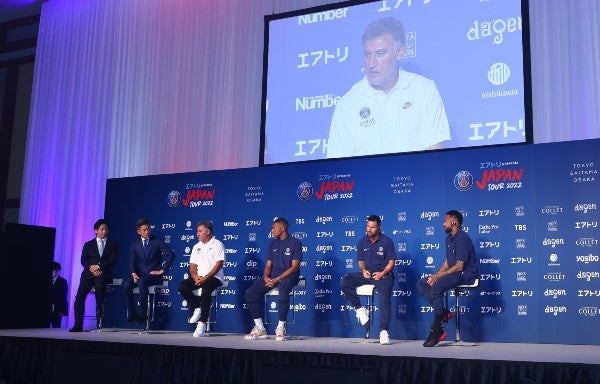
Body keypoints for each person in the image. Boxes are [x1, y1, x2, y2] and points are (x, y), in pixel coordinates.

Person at [327, 17, 450, 159]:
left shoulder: (425, 90)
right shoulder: (348, 103)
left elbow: (435, 154)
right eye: (367, 55)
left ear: (399, 52)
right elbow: (338, 166)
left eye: (380, 54)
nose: (371, 63)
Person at [416, 210, 478, 347]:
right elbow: (447, 262)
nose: (443, 224)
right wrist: (434, 276)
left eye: (445, 221)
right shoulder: (448, 238)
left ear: (454, 222)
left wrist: (438, 278)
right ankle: (443, 313)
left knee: (438, 286)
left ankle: (437, 328)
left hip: (465, 275)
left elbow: (460, 266)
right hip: (454, 272)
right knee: (422, 283)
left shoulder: (462, 238)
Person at [340, 214, 396, 345]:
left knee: (384, 299)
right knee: (345, 281)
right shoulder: (361, 242)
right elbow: (360, 262)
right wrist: (363, 270)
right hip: (367, 274)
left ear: (379, 228)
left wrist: (382, 273)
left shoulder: (387, 241)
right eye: (368, 226)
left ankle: (383, 332)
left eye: (372, 227)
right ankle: (359, 308)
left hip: (383, 275)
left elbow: (391, 262)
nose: (369, 229)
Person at [244, 217, 302, 341]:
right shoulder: (272, 243)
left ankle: (280, 328)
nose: (272, 230)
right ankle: (260, 328)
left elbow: (295, 267)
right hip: (272, 277)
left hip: (289, 276)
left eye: (274, 228)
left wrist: (278, 279)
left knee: (284, 290)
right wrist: (266, 277)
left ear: (283, 228)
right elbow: (268, 265)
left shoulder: (295, 242)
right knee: (250, 293)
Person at [69, 219, 118, 332]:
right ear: (96, 230)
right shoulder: (88, 244)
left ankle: (99, 309)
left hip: (103, 273)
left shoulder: (113, 244)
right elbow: (83, 260)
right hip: (88, 274)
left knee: (100, 286)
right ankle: (78, 325)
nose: (104, 231)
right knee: (79, 298)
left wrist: (99, 267)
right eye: (102, 229)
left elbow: (112, 260)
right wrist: (92, 268)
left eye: (106, 229)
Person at [178, 220, 224, 337]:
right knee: (182, 287)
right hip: (199, 277)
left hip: (214, 277)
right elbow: (192, 266)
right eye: (197, 231)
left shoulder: (218, 244)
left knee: (206, 289)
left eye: (199, 231)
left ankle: (202, 323)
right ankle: (198, 306)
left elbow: (219, 265)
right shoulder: (196, 246)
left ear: (208, 232)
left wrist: (206, 277)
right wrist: (195, 276)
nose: (197, 234)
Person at [123, 218, 175, 323]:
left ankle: (143, 313)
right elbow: (132, 261)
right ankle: (132, 313)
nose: (147, 232)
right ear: (139, 231)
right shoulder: (134, 244)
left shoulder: (157, 241)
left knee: (142, 281)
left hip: (154, 276)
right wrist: (133, 273)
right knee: (126, 284)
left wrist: (162, 271)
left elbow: (171, 255)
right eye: (144, 230)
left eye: (148, 229)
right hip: (139, 274)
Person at [50, 261, 68, 328]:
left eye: (53, 270)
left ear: (57, 270)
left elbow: (63, 297)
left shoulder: (62, 282)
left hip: (57, 309)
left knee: (56, 327)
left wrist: (62, 310)